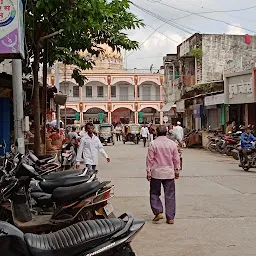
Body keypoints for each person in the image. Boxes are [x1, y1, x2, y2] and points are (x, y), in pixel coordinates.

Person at [146, 125, 180, 224]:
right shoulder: (172, 144)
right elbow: (176, 159)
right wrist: (176, 171)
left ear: (156, 132)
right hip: (169, 173)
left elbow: (149, 159)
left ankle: (158, 211)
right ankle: (170, 218)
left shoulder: (153, 144)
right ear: (166, 133)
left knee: (154, 193)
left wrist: (148, 172)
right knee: (170, 195)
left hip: (156, 173)